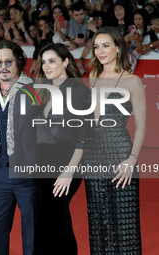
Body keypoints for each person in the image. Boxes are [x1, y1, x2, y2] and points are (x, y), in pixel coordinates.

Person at [84, 26, 146, 254]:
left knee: (124, 223)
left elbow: (141, 125)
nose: (100, 51)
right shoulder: (92, 76)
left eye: (106, 45)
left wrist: (132, 159)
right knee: (100, 223)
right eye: (97, 46)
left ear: (118, 47)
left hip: (121, 155)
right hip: (93, 158)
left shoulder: (132, 81)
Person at [0, 39, 39, 255]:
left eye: (8, 62)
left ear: (20, 62)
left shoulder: (35, 89)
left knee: (33, 237)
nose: (3, 67)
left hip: (28, 175)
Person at [33, 43, 90, 255]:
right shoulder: (41, 89)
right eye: (44, 61)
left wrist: (69, 171)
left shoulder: (78, 91)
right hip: (42, 162)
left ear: (66, 61)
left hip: (67, 162)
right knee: (53, 216)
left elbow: (84, 136)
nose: (46, 66)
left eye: (52, 61)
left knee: (51, 215)